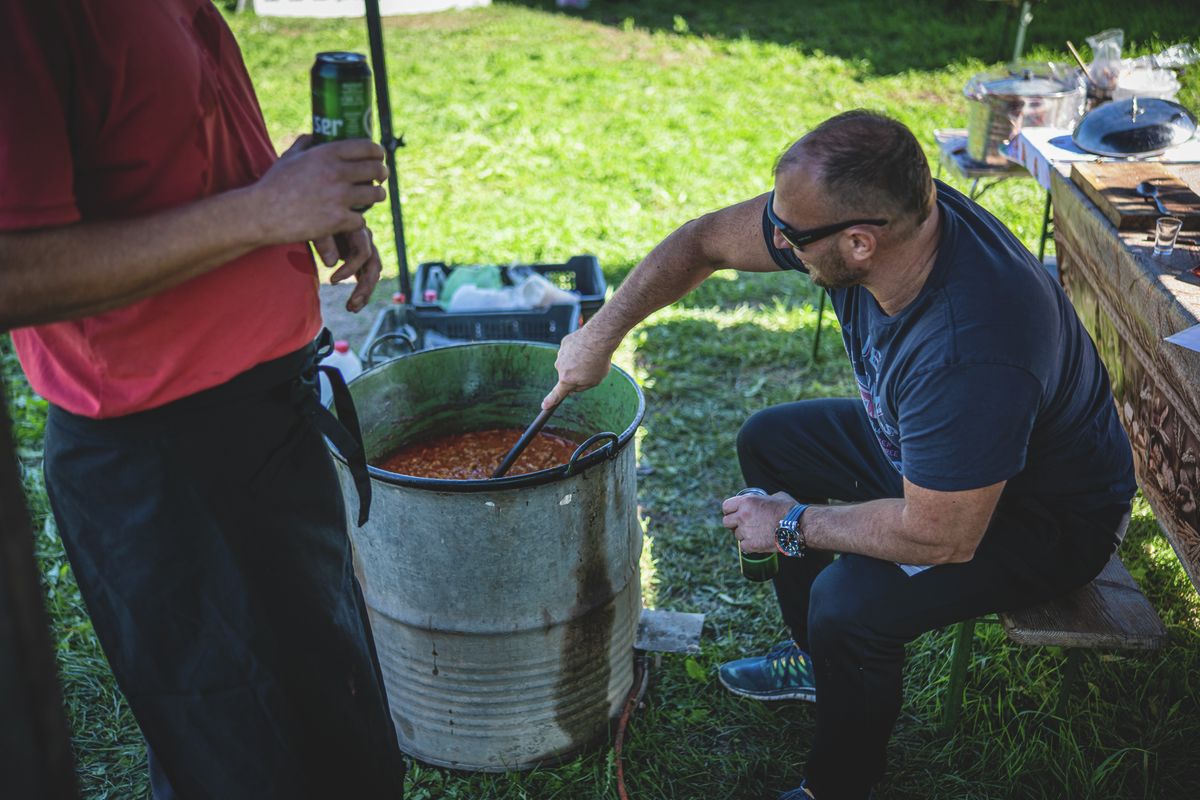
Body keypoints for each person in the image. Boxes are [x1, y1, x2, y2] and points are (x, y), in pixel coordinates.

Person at [542, 110, 1135, 799]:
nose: (778, 240)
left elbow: (942, 533)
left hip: (1042, 517)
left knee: (847, 603)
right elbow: (704, 242)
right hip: (943, 456)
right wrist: (602, 334)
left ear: (859, 242)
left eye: (792, 235)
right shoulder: (889, 218)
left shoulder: (969, 351)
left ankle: (839, 784)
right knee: (772, 440)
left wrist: (791, 523)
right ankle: (815, 663)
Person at [0, 2, 407, 797]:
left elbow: (170, 174)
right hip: (163, 470)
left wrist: (292, 198)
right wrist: (261, 212)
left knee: (340, 732)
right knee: (241, 761)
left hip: (268, 422)